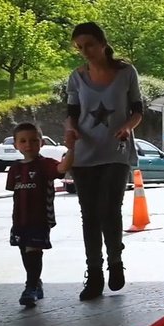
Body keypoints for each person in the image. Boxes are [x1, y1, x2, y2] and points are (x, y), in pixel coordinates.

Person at [64, 22, 143, 301]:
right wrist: (71, 130)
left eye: (89, 45)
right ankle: (94, 273)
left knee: (110, 209)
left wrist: (128, 126)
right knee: (90, 216)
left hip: (116, 151)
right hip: (85, 154)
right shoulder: (76, 77)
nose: (85, 51)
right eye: (80, 47)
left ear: (102, 43)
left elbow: (137, 110)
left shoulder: (126, 72)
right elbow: (72, 113)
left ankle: (115, 263)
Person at [6, 122, 75, 307]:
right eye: (23, 141)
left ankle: (30, 287)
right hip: (20, 220)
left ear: (41, 143)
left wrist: (71, 148)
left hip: (40, 219)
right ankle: (36, 282)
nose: (28, 144)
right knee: (24, 250)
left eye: (33, 140)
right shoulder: (15, 169)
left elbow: (62, 168)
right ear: (16, 145)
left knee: (32, 250)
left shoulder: (45, 164)